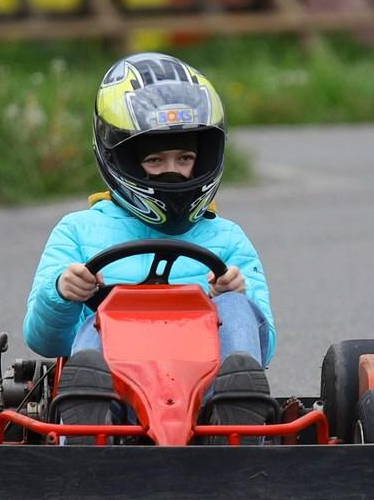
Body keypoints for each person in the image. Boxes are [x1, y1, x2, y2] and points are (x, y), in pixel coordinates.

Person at [24, 52, 276, 427]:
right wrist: (62, 292)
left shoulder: (226, 238)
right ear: (120, 158)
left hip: (203, 395)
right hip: (117, 387)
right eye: (155, 160)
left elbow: (265, 348)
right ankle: (88, 423)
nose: (172, 172)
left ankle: (236, 416)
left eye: (185, 158)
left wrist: (235, 293)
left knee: (238, 308)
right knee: (96, 320)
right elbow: (44, 340)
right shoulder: (78, 231)